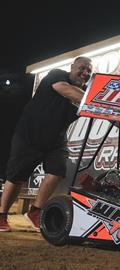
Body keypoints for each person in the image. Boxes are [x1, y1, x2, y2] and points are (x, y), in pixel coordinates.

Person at [0, 56, 93, 232]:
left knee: (57, 171)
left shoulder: (87, 94)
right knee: (16, 177)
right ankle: (2, 215)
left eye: (89, 71)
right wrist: (93, 99)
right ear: (72, 67)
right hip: (29, 135)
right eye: (82, 68)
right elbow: (65, 90)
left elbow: (103, 112)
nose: (85, 73)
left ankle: (35, 212)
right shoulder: (57, 75)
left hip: (56, 140)